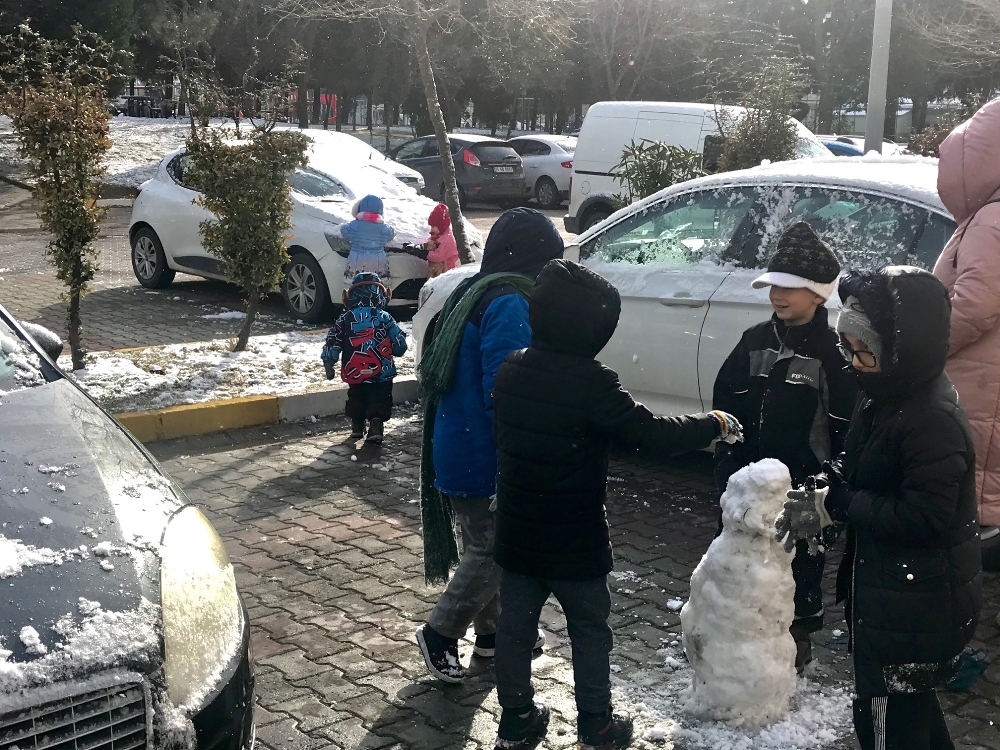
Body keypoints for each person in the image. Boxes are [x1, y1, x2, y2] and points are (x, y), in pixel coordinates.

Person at [490, 259, 743, 750]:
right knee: (588, 629)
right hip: (574, 540)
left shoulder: (512, 367)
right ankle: (597, 723)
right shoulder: (591, 382)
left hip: (517, 535)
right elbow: (648, 433)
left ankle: (517, 717)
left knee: (514, 630)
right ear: (592, 329)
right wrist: (711, 423)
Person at [776, 266, 982, 750]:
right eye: (847, 348)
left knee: (885, 720)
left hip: (916, 606)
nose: (852, 362)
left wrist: (841, 504)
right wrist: (826, 485)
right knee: (913, 709)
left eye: (862, 350)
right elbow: (861, 459)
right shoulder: (886, 395)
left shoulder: (931, 419)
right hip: (897, 598)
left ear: (901, 349)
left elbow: (923, 518)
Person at [416, 208, 565, 683]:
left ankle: (493, 635)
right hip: (484, 450)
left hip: (456, 442)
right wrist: (525, 450)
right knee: (495, 548)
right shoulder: (510, 302)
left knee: (480, 543)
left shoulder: (470, 292)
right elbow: (506, 389)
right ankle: (440, 632)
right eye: (549, 264)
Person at [713, 221, 857, 671]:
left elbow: (846, 430)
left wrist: (827, 485)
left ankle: (797, 641)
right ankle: (744, 637)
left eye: (790, 288)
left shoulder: (834, 353)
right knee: (747, 560)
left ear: (818, 294)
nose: (777, 295)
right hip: (751, 481)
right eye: (773, 284)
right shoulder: (754, 340)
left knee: (802, 567)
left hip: (805, 486)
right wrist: (729, 462)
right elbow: (726, 406)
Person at [933, 98, 1000, 567]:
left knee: (976, 508)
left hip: (981, 389)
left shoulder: (992, 219)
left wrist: (918, 343)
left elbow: (975, 304)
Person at [321, 272, 407, 444]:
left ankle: (357, 425)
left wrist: (329, 360)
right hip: (381, 370)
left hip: (355, 369)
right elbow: (399, 344)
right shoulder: (384, 317)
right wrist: (398, 350)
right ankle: (376, 425)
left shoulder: (345, 319)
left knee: (356, 395)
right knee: (380, 397)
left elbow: (333, 340)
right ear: (381, 295)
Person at [341, 194, 395, 280]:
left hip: (357, 258)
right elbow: (391, 234)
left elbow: (344, 230)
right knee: (376, 284)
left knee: (357, 284)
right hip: (378, 259)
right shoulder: (384, 229)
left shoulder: (354, 225)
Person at [425, 203, 460, 278]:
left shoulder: (447, 238)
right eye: (431, 226)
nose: (431, 229)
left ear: (441, 226)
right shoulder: (438, 235)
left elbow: (438, 256)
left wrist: (425, 254)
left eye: (434, 226)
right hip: (437, 271)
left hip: (446, 272)